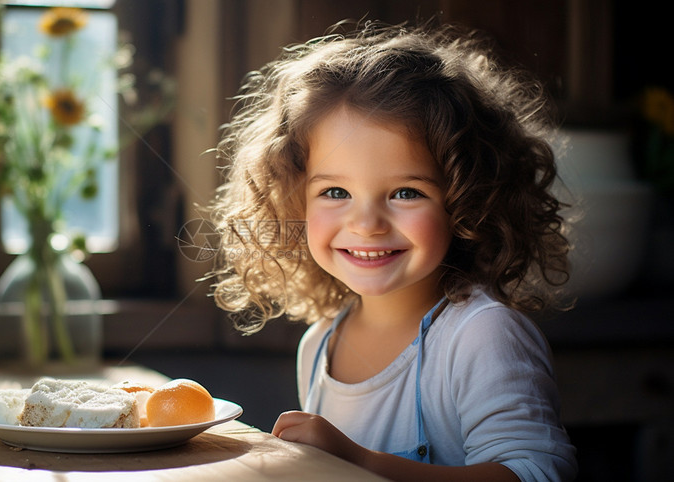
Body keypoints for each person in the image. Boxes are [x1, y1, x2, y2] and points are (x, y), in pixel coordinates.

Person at [206, 21, 578, 481]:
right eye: (336, 192)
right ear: (292, 198)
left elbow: (537, 473)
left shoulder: (481, 336)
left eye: (405, 192)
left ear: (467, 201)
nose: (366, 224)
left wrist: (362, 462)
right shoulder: (320, 342)